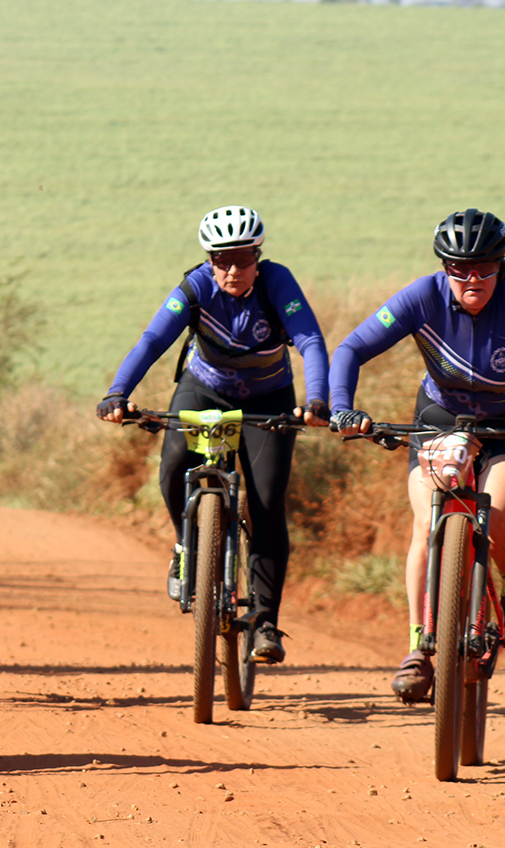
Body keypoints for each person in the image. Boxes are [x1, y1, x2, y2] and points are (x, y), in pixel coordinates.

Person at [328, 209, 505, 704]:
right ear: (444, 267)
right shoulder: (422, 297)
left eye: (483, 268)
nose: (472, 279)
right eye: (459, 269)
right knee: (425, 523)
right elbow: (351, 349)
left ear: (500, 266)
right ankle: (418, 645)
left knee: (499, 513)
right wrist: (342, 409)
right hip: (439, 417)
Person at [96, 206, 331, 664]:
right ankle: (186, 546)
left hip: (269, 398)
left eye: (242, 259)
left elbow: (310, 341)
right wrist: (117, 392)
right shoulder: (196, 286)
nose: (232, 271)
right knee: (172, 468)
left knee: (266, 503)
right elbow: (152, 341)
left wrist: (318, 399)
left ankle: (265, 622)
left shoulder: (277, 282)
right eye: (222, 260)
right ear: (209, 260)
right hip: (204, 390)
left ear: (257, 257)